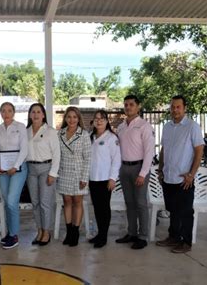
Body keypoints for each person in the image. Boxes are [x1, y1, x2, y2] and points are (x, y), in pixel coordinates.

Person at [156, 96, 204, 253]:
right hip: (168, 177)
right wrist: (161, 169)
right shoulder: (167, 127)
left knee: (185, 212)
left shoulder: (192, 127)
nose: (175, 110)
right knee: (173, 210)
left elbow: (199, 150)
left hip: (184, 178)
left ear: (184, 108)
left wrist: (191, 174)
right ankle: (174, 237)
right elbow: (164, 149)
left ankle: (186, 242)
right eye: (172, 107)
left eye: (178, 107)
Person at [115, 95, 154, 250]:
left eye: (131, 104)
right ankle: (131, 233)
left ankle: (143, 236)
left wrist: (143, 173)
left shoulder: (145, 126)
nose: (128, 107)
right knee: (129, 203)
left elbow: (150, 151)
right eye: (126, 104)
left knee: (140, 203)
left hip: (139, 168)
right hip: (124, 168)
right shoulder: (121, 127)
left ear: (138, 106)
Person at [0, 102, 28, 249]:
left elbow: (24, 149)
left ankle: (14, 235)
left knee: (12, 201)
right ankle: (9, 232)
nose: (6, 113)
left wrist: (15, 166)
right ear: (0, 113)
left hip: (18, 169)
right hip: (2, 171)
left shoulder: (20, 127)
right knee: (7, 202)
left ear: (13, 112)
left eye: (9, 111)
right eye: (3, 111)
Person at [25, 103, 60, 246]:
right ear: (29, 115)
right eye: (33, 112)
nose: (35, 114)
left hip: (46, 169)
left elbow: (57, 154)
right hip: (30, 170)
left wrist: (53, 173)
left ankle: (47, 232)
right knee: (35, 203)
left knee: (46, 203)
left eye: (38, 112)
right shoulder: (25, 131)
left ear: (43, 115)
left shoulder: (50, 131)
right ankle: (39, 230)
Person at [57, 106, 91, 247]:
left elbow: (88, 158)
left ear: (78, 119)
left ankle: (75, 232)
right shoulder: (59, 134)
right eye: (69, 117)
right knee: (67, 201)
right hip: (64, 172)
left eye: (74, 117)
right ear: (65, 118)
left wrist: (84, 177)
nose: (72, 120)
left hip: (78, 173)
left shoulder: (83, 134)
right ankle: (69, 230)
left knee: (77, 201)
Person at [88, 110, 121, 248]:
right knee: (96, 208)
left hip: (105, 179)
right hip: (92, 178)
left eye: (102, 118)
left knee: (104, 208)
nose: (99, 121)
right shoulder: (91, 137)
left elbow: (117, 159)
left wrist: (112, 178)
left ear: (107, 121)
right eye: (96, 118)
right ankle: (99, 234)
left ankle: (103, 236)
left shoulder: (111, 138)